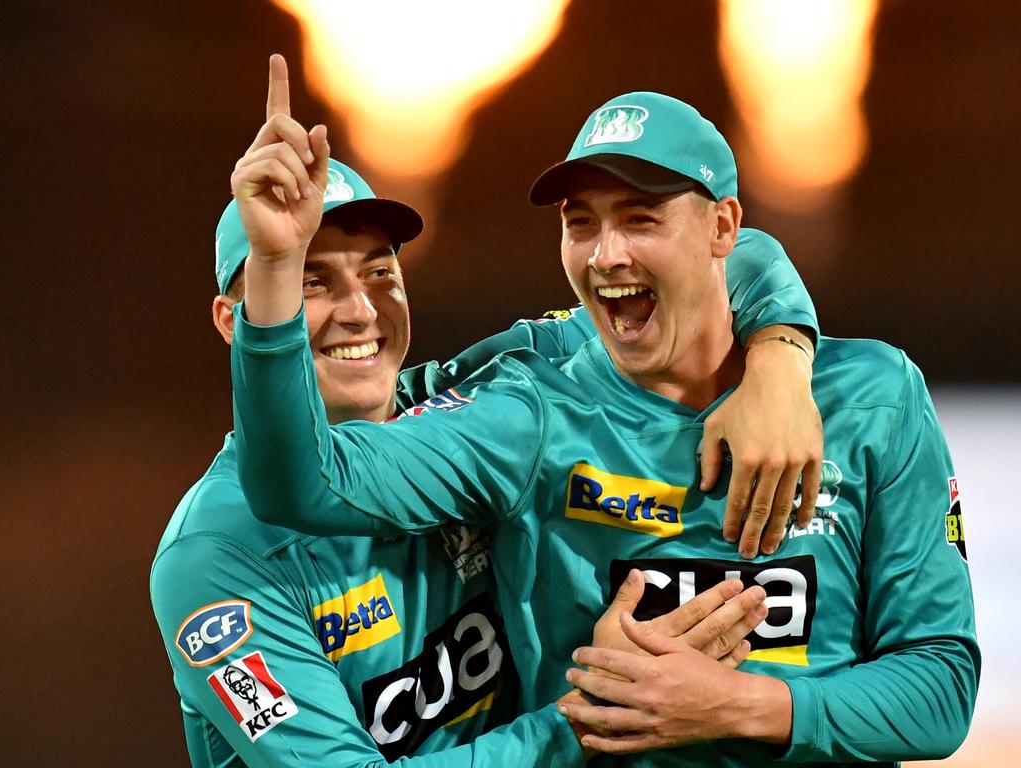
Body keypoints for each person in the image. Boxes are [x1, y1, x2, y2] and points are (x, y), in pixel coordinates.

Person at [230, 89, 980, 765]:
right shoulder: (528, 409)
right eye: (580, 224)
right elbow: (304, 482)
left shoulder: (874, 398)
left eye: (640, 219)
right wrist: (271, 268)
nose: (605, 255)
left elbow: (942, 690)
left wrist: (735, 706)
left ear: (723, 228)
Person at [151, 57, 828, 767]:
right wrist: (593, 715)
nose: (358, 310)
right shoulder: (215, 556)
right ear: (238, 320)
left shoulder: (469, 408)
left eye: (380, 272)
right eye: (310, 280)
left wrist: (782, 359)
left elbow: (715, 259)